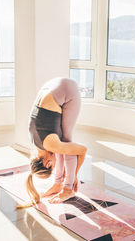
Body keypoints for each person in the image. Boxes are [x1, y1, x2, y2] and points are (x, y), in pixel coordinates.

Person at [25, 77, 87, 206]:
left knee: (66, 141)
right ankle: (58, 185)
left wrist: (74, 175)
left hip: (68, 90)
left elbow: (82, 150)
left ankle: (68, 190)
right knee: (60, 147)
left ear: (46, 163)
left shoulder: (50, 144)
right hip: (51, 86)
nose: (54, 165)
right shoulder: (36, 142)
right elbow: (57, 150)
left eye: (52, 167)